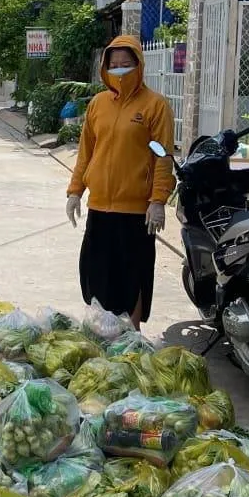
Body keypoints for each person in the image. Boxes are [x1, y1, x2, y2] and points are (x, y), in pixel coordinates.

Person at [66, 34, 174, 328]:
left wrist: (157, 201)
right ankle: (103, 332)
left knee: (133, 277)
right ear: (106, 66)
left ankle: (132, 335)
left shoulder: (154, 106)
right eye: (114, 64)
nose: (120, 69)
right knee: (96, 274)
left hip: (136, 213)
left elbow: (162, 156)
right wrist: (76, 191)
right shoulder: (98, 104)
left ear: (138, 65)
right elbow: (86, 151)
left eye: (126, 63)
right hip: (100, 207)